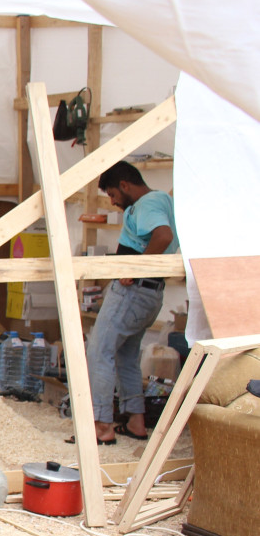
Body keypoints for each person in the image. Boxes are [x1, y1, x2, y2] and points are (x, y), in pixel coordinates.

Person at [84, 160, 178, 444]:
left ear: (125, 185)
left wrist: (135, 269)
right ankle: (135, 420)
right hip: (151, 292)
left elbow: (163, 236)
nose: (113, 202)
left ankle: (101, 425)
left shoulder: (148, 203)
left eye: (112, 194)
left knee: (99, 351)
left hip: (133, 291)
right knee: (126, 356)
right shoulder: (163, 200)